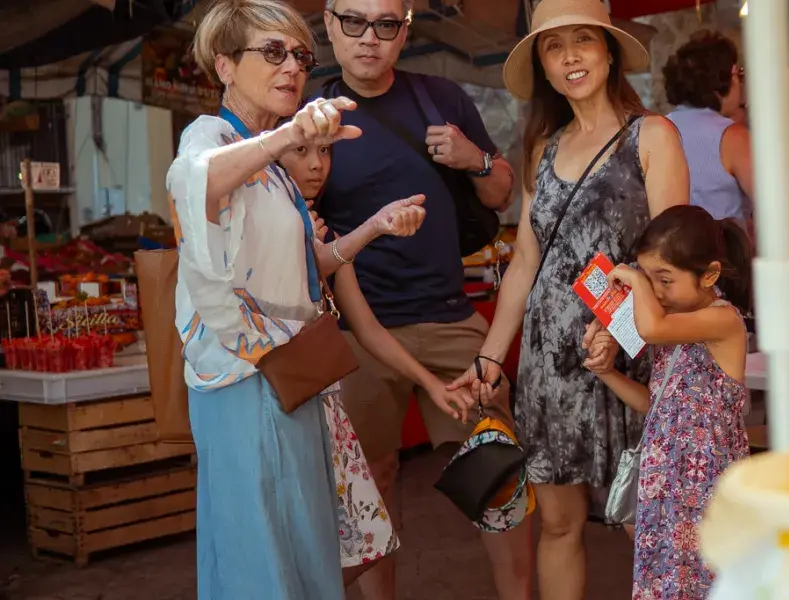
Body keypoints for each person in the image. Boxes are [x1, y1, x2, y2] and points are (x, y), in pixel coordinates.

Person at [171, 0, 424, 596]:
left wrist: (373, 228)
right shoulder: (211, 137)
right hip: (245, 378)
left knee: (299, 546)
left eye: (301, 56)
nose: (292, 67)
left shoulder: (271, 163)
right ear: (225, 65)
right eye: (273, 52)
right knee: (264, 553)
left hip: (288, 374)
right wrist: (289, 133)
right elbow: (194, 181)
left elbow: (304, 270)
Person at [446, 1, 688, 598]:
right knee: (558, 522)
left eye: (584, 40)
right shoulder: (543, 150)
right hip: (549, 364)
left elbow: (675, 260)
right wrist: (489, 358)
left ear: (608, 51)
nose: (571, 56)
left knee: (646, 519)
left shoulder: (651, 136)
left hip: (631, 351)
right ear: (544, 68)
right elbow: (526, 261)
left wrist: (633, 324)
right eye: (555, 47)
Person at [310, 0, 529, 597]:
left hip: (448, 319)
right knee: (370, 487)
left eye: (385, 24)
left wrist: (475, 157)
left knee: (496, 470)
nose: (368, 38)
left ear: (404, 31)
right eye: (352, 22)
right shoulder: (310, 114)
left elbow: (501, 193)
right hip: (357, 332)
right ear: (330, 24)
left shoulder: (443, 98)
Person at [581, 205, 752, 600]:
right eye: (650, 279)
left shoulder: (723, 320)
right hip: (668, 488)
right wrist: (607, 372)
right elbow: (656, 404)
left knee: (709, 584)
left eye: (665, 279)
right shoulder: (671, 325)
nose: (656, 291)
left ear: (709, 274)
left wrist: (634, 282)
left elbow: (651, 326)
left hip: (706, 485)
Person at [662, 30, 754, 226]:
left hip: (670, 252)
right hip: (724, 252)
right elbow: (773, 203)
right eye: (740, 74)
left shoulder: (656, 129)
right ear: (727, 77)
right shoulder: (733, 136)